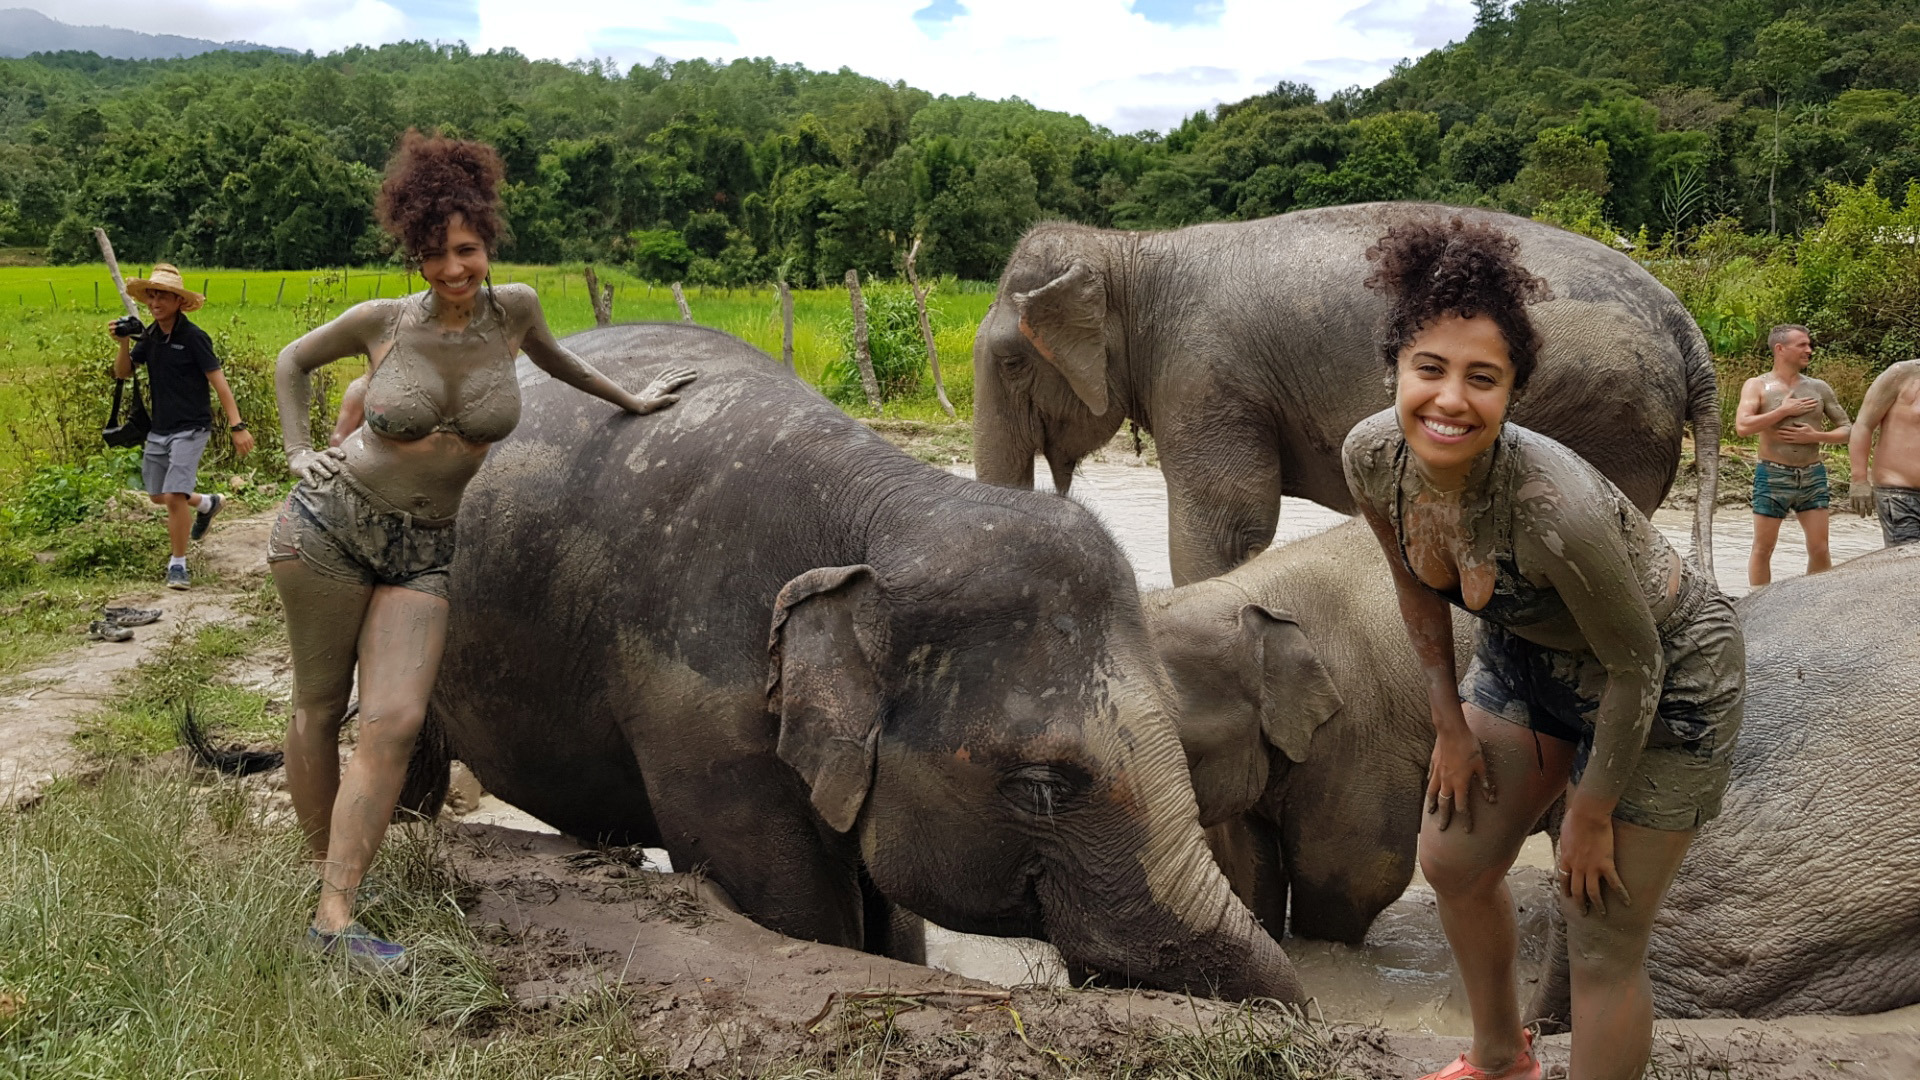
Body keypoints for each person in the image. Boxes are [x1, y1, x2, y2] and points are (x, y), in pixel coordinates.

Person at [270, 131, 696, 971]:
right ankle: (322, 885)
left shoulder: (518, 311)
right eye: (431, 254)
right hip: (329, 526)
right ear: (413, 252)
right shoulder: (381, 323)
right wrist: (295, 449)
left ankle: (334, 915)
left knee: (393, 723)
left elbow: (563, 363)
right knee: (321, 708)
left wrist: (633, 399)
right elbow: (291, 362)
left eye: (463, 250)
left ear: (488, 243)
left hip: (426, 546)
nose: (450, 269)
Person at [1342, 218, 1743, 1080]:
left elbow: (1638, 666)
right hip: (1528, 650)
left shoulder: (1552, 506)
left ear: (1513, 392)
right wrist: (1447, 724)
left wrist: (1590, 813)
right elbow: (1415, 587)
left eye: (1481, 379)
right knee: (1451, 858)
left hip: (1670, 675)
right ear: (1396, 371)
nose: (1451, 399)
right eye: (1430, 369)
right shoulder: (1372, 457)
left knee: (1597, 926)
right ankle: (1499, 1059)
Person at [109, 264, 254, 588]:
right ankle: (207, 503)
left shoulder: (194, 338)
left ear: (178, 301)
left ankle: (178, 565)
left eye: (163, 296)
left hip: (192, 427)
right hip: (159, 428)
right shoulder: (150, 336)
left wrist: (237, 425)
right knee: (158, 495)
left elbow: (219, 383)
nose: (155, 302)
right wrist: (122, 342)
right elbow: (123, 372)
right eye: (152, 296)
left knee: (174, 495)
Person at [1733, 325, 1851, 586]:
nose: (1809, 350)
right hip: (1773, 474)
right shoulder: (1758, 385)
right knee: (1764, 548)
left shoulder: (1819, 387)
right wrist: (1782, 411)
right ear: (1780, 349)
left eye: (1810, 345)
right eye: (1802, 345)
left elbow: (1848, 430)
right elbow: (1742, 427)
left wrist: (1817, 437)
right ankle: (1759, 604)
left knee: (1820, 548)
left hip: (1812, 475)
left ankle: (1814, 601)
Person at [1847, 359, 1920, 547]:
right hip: (1901, 495)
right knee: (1908, 569)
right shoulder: (1902, 374)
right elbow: (1863, 425)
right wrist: (1859, 479)